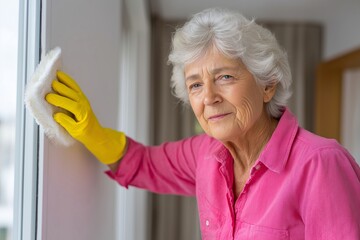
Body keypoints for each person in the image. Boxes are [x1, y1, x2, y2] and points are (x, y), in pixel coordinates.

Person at [46, 8, 360, 240]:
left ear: (268, 85)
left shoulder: (321, 164)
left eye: (224, 77)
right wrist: (92, 132)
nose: (208, 97)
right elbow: (141, 164)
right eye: (195, 85)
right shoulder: (205, 153)